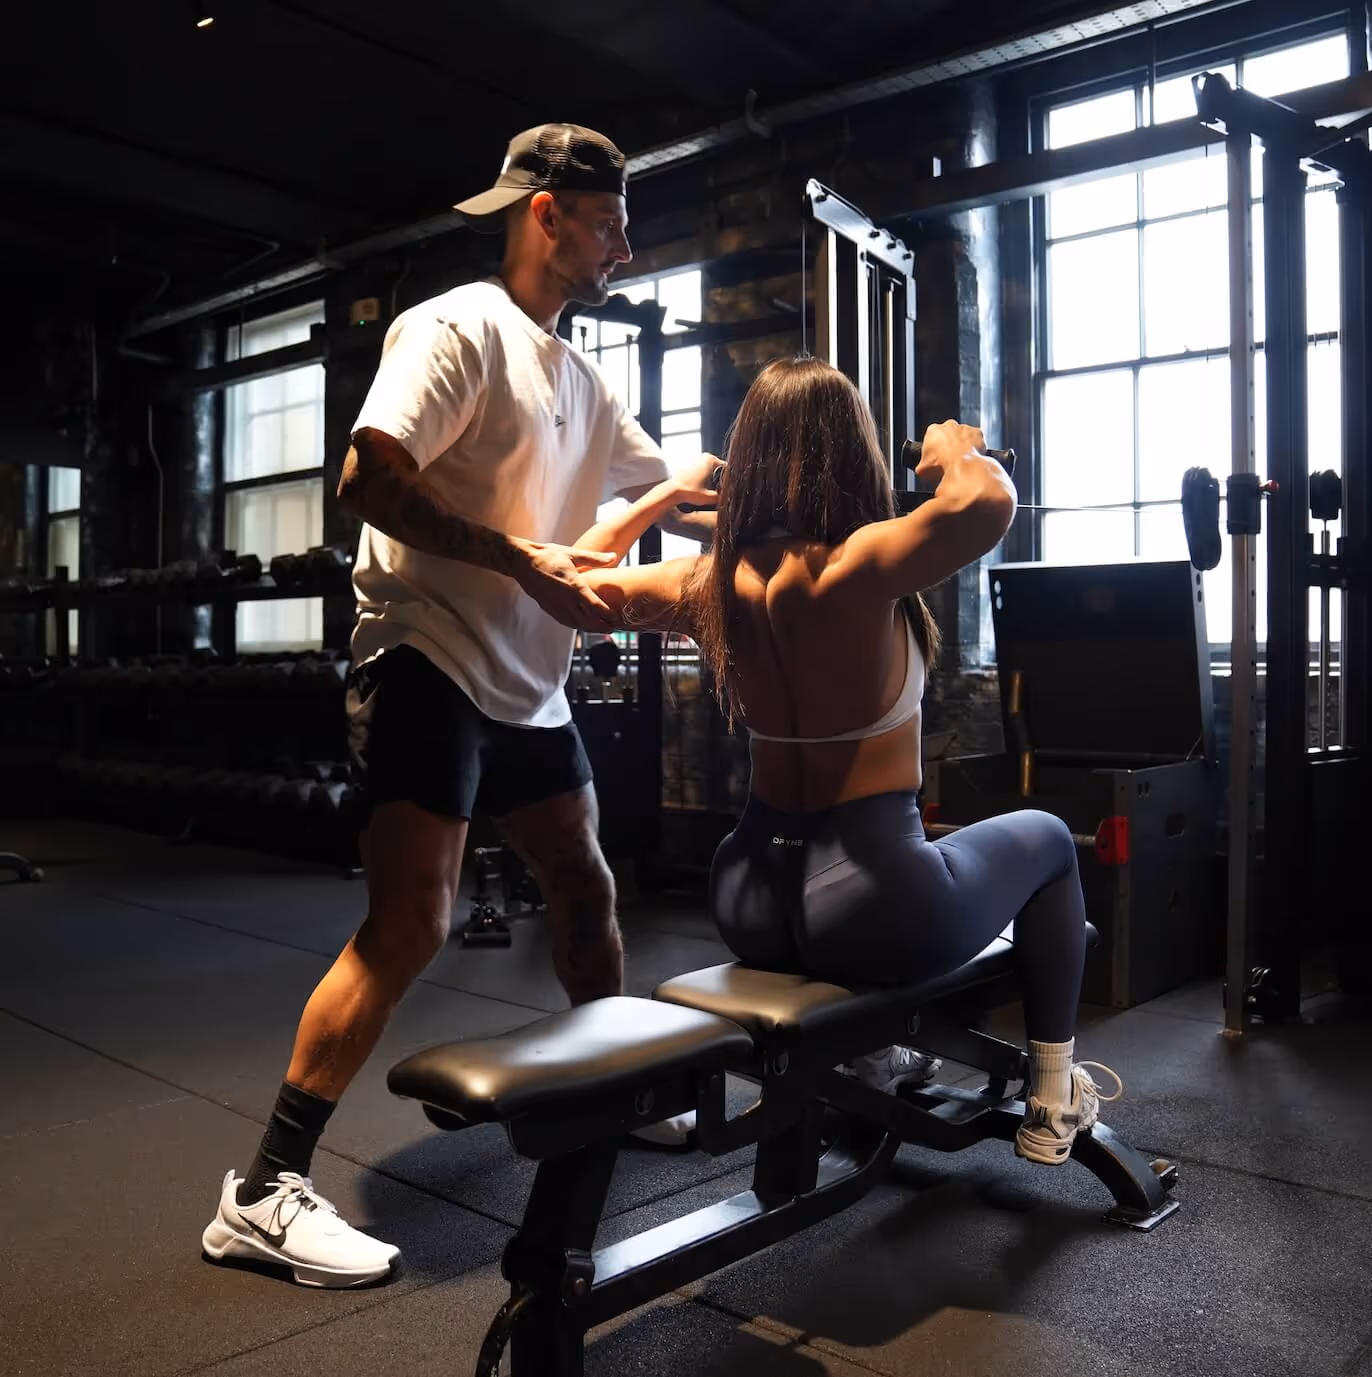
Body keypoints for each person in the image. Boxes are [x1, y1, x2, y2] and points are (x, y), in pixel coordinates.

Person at [202, 123, 720, 1290]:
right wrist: (516, 558)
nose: (625, 246)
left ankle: (611, 1084)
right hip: (425, 652)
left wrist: (818, 500)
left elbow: (678, 492)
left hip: (528, 682)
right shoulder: (454, 328)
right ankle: (261, 1190)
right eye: (611, 221)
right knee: (413, 924)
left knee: (585, 886)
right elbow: (368, 476)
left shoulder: (584, 378)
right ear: (547, 214)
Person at [576, 356, 1123, 1166]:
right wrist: (950, 451)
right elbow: (988, 500)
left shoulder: (712, 582)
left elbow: (573, 575)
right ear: (856, 451)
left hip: (748, 902)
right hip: (873, 904)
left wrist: (663, 498)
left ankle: (876, 1053)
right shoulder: (861, 566)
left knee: (947, 863)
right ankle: (1052, 1096)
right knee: (1045, 837)